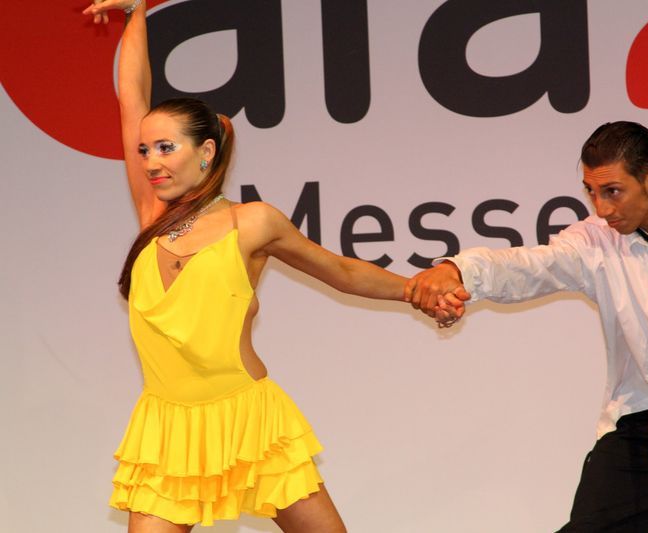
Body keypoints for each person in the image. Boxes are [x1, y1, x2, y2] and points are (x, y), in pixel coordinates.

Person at [84, 2, 407, 531]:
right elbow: (131, 97)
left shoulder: (252, 222)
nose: (150, 162)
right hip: (167, 429)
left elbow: (343, 272)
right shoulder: (153, 215)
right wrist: (136, 13)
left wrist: (416, 290)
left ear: (206, 152)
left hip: (249, 420)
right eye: (144, 150)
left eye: (165, 147)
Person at [405, 121, 648, 531]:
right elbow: (529, 266)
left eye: (612, 191)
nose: (602, 209)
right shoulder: (595, 242)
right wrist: (459, 270)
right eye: (591, 191)